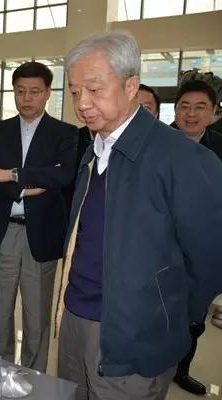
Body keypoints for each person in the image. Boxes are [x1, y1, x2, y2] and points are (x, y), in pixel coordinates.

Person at [56, 31, 222, 400]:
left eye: (94, 89)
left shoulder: (183, 159)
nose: (82, 103)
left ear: (131, 86)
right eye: (74, 91)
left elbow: (210, 260)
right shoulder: (94, 150)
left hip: (134, 336)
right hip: (76, 317)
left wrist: (164, 314)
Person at [0, 61, 78, 372]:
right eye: (20, 91)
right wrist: (25, 189)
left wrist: (11, 175)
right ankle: (0, 372)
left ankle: (35, 376)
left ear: (47, 93)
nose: (27, 98)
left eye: (34, 91)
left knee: (37, 315)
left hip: (42, 233)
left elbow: (63, 175)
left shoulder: (65, 133)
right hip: (4, 230)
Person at [171, 78, 222, 395]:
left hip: (203, 252)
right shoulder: (156, 143)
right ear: (175, 110)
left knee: (194, 319)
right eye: (184, 107)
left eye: (200, 107)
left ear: (214, 112)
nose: (191, 114)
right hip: (164, 249)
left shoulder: (219, 148)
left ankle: (181, 370)